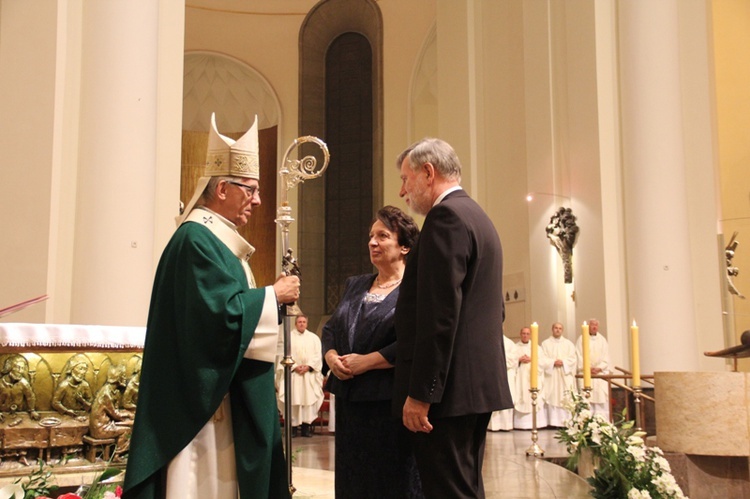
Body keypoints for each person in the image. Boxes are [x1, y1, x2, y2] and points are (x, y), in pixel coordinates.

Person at [124, 114, 300, 499]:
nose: (257, 200)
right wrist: (273, 296)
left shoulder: (216, 241)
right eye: (250, 190)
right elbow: (214, 319)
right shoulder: (196, 240)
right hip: (202, 414)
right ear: (222, 188)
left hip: (221, 402)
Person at [393, 138, 513, 498]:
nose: (402, 191)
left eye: (405, 179)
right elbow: (495, 310)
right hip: (472, 388)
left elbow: (440, 314)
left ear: (428, 173)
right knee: (465, 488)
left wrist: (422, 394)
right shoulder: (476, 215)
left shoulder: (445, 218)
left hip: (447, 395)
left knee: (449, 491)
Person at [322, 205, 423, 498]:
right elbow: (331, 329)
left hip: (388, 402)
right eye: (371, 236)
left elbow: (414, 340)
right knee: (353, 480)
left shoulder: (413, 290)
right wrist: (330, 357)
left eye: (382, 236)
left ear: (404, 246)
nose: (372, 242)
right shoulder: (355, 285)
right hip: (351, 404)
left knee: (389, 480)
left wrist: (368, 362)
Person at [276, 314, 324, 438]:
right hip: (294, 375)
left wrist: (308, 366)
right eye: (299, 322)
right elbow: (284, 355)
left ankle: (305, 429)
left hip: (308, 375)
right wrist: (295, 366)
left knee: (307, 402)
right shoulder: (289, 337)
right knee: (293, 401)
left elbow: (317, 356)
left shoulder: (313, 338)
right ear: (296, 323)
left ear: (307, 324)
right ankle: (292, 428)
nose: (302, 324)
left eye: (304, 322)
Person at [89, 364, 132, 455]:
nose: (125, 378)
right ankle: (117, 454)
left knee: (126, 426)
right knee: (127, 430)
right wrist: (128, 415)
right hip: (101, 429)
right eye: (123, 376)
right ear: (117, 378)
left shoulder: (110, 390)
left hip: (104, 425)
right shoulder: (106, 394)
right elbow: (115, 414)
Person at [513, 326, 550, 429]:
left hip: (533, 377)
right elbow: (511, 361)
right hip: (520, 378)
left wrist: (532, 359)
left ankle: (537, 423)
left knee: (533, 397)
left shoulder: (536, 348)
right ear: (520, 334)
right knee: (521, 395)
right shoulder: (515, 347)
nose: (525, 335)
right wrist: (519, 360)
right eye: (523, 333)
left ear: (530, 335)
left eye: (527, 334)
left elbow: (544, 362)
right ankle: (520, 424)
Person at [541, 322, 576, 427]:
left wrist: (564, 362)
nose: (558, 330)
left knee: (565, 396)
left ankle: (566, 422)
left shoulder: (569, 344)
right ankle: (552, 422)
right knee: (552, 396)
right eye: (556, 328)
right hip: (552, 376)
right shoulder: (545, 344)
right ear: (552, 329)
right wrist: (552, 362)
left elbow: (573, 359)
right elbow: (542, 359)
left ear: (562, 330)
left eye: (560, 328)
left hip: (564, 375)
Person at [576, 318, 611, 419]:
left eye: (596, 325)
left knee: (600, 396)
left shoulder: (603, 340)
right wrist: (587, 368)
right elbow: (579, 355)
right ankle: (587, 421)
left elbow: (606, 356)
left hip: (599, 374)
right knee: (588, 398)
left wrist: (599, 368)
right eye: (592, 325)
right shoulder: (582, 339)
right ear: (588, 326)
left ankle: (601, 420)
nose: (594, 327)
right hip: (586, 373)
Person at [488, 333, 519, 431]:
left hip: (507, 375)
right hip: (493, 374)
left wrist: (499, 358)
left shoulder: (510, 343)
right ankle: (493, 426)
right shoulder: (489, 341)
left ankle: (506, 425)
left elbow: (514, 360)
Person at [0, 355, 39, 422]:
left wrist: (32, 410)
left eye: (22, 368)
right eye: (18, 367)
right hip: (3, 416)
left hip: (19, 415)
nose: (20, 371)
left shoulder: (24, 383)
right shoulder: (0, 382)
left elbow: (30, 397)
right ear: (9, 368)